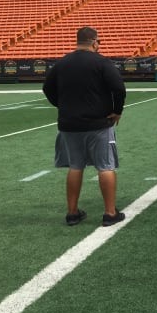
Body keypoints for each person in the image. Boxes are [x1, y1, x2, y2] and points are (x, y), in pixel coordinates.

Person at [42, 26, 126, 227]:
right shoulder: (101, 62)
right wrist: (117, 110)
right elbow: (119, 88)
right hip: (98, 123)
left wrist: (62, 105)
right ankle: (110, 213)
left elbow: (47, 88)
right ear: (94, 42)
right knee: (105, 166)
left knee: (75, 166)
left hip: (69, 124)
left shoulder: (62, 63)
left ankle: (72, 213)